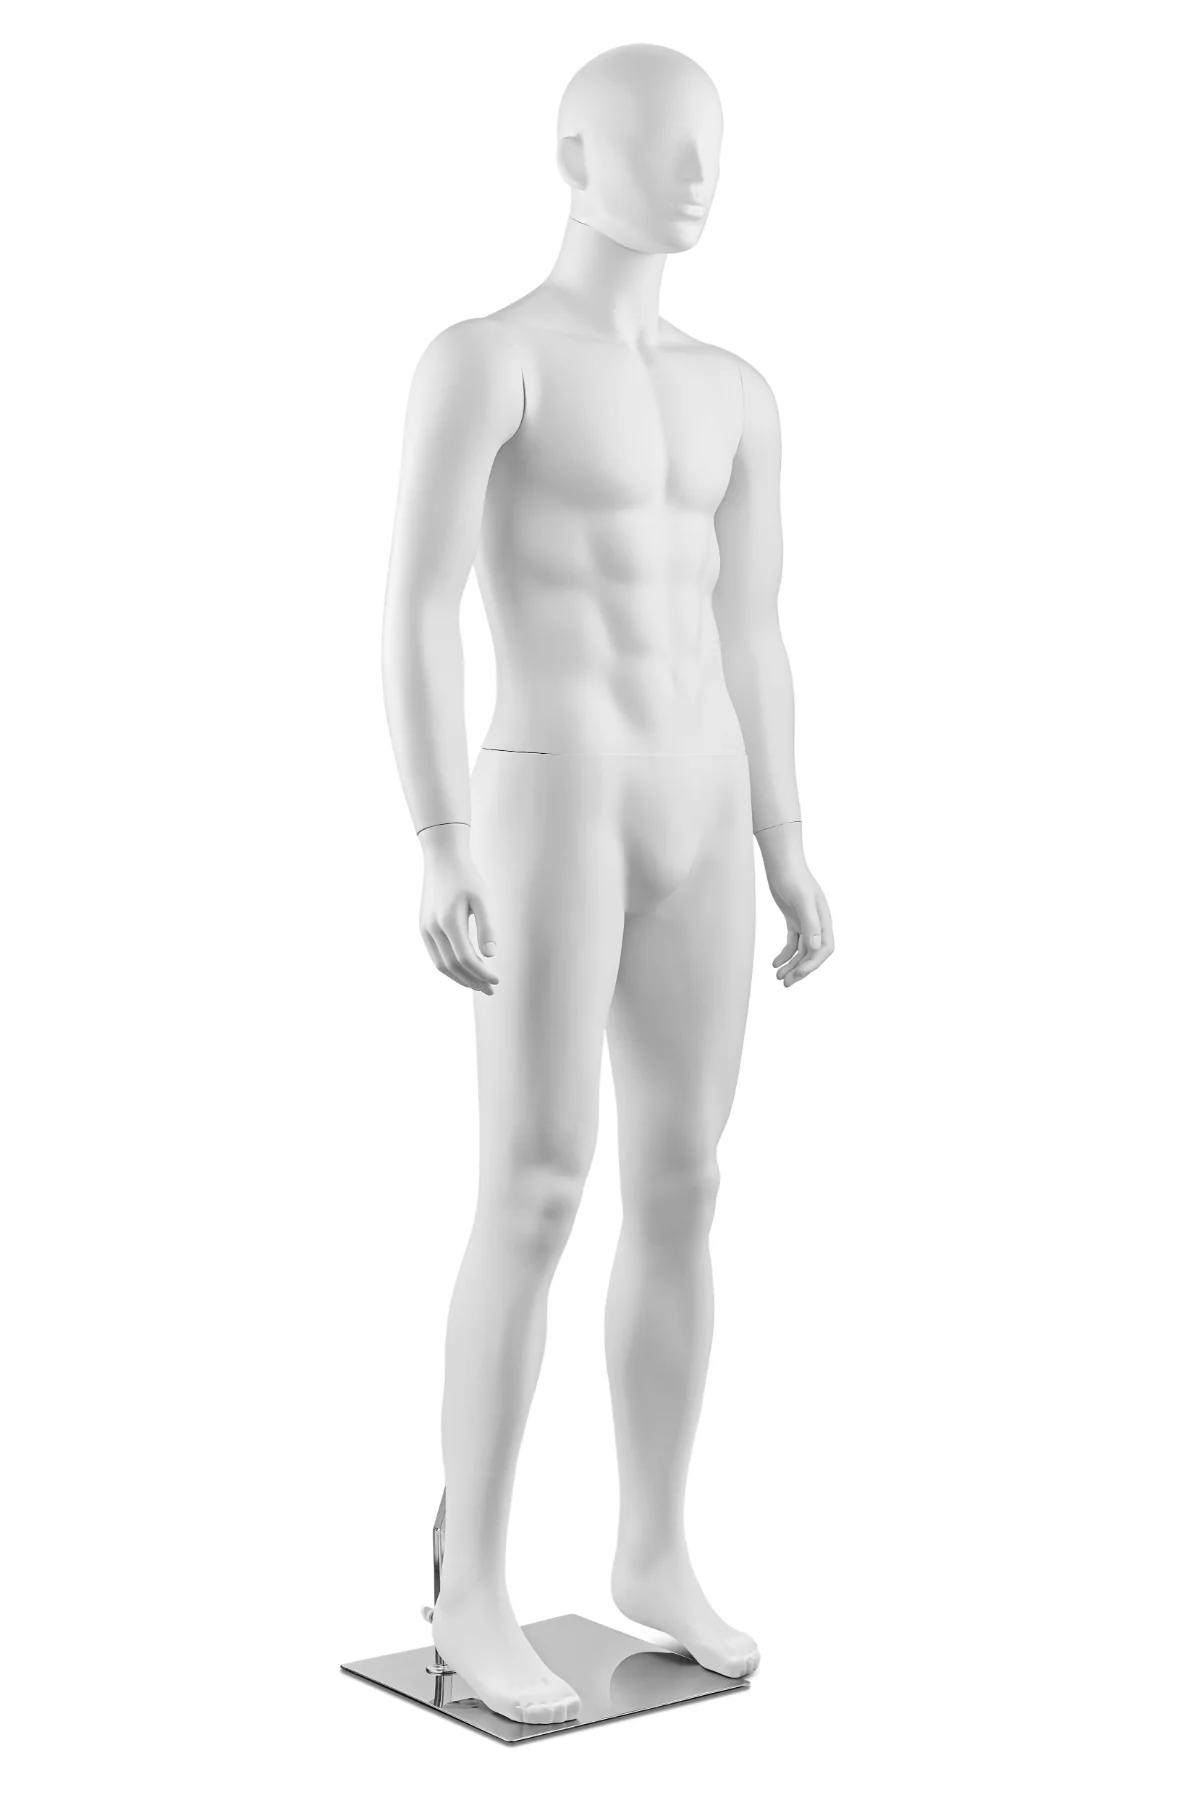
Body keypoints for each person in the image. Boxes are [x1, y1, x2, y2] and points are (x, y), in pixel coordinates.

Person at [382, 43, 834, 1726]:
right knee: (536, 1184)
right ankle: (472, 1586)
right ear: (573, 155)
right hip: (552, 795)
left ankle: (653, 1546)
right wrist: (437, 833)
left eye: (711, 142)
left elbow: (753, 625)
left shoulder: (738, 391)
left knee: (687, 1181)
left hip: (702, 803)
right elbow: (414, 603)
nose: (694, 172)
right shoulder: (487, 360)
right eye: (657, 142)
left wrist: (787, 835)